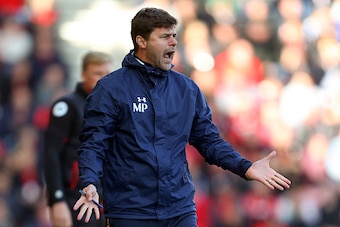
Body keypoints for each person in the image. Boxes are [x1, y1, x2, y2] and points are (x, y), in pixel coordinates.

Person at [73, 7, 291, 227]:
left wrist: (244, 167)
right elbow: (93, 143)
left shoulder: (187, 89)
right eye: (164, 36)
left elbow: (209, 141)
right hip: (131, 211)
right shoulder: (111, 89)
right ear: (141, 41)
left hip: (179, 208)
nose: (174, 43)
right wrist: (89, 182)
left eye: (174, 36)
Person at [44, 51, 113, 227]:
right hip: (74, 199)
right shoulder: (67, 106)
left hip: (106, 199)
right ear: (83, 75)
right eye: (97, 73)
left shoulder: (114, 108)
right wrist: (56, 200)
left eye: (107, 74)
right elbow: (51, 154)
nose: (103, 79)